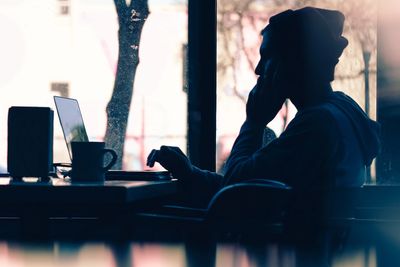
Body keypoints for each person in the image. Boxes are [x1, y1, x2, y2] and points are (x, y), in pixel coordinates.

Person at [147, 7, 380, 207]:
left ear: (295, 60)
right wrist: (190, 174)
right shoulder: (339, 111)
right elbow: (252, 183)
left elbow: (234, 190)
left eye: (267, 56)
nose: (259, 69)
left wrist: (254, 123)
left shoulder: (316, 124)